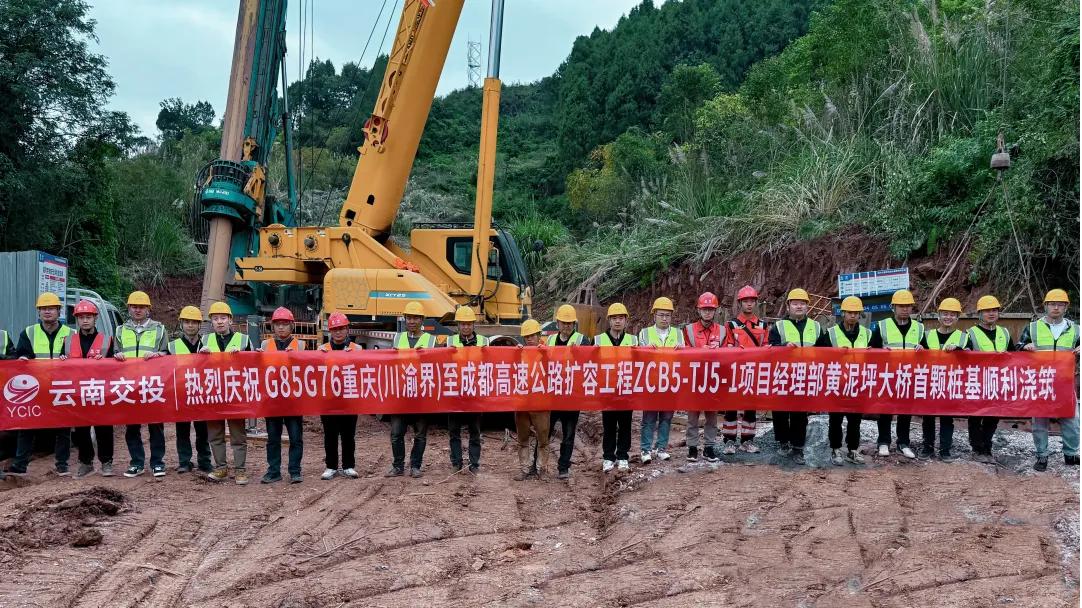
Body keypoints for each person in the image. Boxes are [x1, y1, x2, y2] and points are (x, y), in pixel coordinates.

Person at [6, 293, 73, 477]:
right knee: (26, 426)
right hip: (36, 388)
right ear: (38, 312)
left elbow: (77, 361)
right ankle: (20, 466)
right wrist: (22, 358)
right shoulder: (29, 332)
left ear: (59, 311)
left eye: (51, 308)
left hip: (61, 387)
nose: (47, 312)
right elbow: (21, 355)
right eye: (43, 309)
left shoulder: (70, 334)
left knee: (63, 428)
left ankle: (62, 466)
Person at [1018, 289, 1079, 471]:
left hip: (1064, 381)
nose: (1056, 307)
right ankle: (1042, 456)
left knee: (1071, 419)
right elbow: (1017, 348)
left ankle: (1070, 454)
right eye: (1052, 304)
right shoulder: (1033, 327)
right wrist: (1024, 347)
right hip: (1040, 381)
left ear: (1066, 307)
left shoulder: (1076, 329)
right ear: (1045, 306)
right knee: (1040, 420)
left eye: (1060, 304)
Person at [113, 291, 169, 478]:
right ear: (129, 308)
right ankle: (136, 463)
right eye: (134, 307)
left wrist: (159, 355)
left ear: (148, 309)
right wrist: (117, 356)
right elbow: (115, 354)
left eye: (141, 307)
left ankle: (157, 463)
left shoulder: (159, 329)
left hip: (152, 384)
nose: (138, 310)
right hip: (129, 385)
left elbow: (167, 354)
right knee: (132, 427)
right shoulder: (120, 330)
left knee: (156, 426)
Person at [200, 301, 254, 484]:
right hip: (213, 393)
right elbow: (197, 368)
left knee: (238, 434)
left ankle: (240, 470)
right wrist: (201, 356)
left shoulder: (244, 340)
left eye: (223, 318)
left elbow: (254, 366)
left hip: (235, 394)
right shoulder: (205, 341)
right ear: (211, 322)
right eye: (216, 319)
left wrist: (243, 355)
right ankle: (221, 468)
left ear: (230, 320)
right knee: (215, 434)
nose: (220, 322)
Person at [767, 288, 822, 465]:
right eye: (795, 303)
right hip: (784, 375)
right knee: (780, 412)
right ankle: (783, 443)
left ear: (807, 306)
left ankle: (798, 448)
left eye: (803, 303)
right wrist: (783, 346)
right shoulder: (778, 326)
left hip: (806, 375)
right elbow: (770, 349)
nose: (799, 306)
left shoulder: (816, 327)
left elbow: (827, 350)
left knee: (800, 414)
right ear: (788, 306)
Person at [869, 289, 925, 459]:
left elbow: (927, 351)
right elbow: (871, 349)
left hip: (909, 376)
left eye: (908, 306)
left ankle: (904, 443)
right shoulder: (882, 326)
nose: (905, 309)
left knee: (905, 411)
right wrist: (880, 350)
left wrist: (923, 349)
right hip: (888, 375)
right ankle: (883, 442)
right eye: (901, 306)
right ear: (893, 307)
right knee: (885, 409)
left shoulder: (919, 328)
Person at [63, 299, 115, 479]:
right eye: (81, 317)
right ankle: (86, 463)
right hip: (78, 392)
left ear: (95, 318)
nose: (85, 320)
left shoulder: (108, 341)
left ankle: (106, 462)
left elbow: (117, 367)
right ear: (77, 319)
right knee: (81, 429)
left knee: (104, 428)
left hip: (101, 391)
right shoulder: (69, 341)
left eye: (89, 317)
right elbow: (63, 366)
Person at [816, 296, 869, 465]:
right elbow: (819, 353)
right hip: (837, 382)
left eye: (855, 312)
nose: (852, 315)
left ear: (859, 314)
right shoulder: (831, 333)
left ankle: (853, 450)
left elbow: (877, 354)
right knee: (836, 418)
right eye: (849, 312)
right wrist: (836, 353)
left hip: (858, 382)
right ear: (843, 313)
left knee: (855, 419)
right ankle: (835, 449)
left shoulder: (867, 334)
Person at [386, 301, 434, 478]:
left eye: (415, 318)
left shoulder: (431, 340)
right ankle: (398, 466)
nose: (411, 321)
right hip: (401, 393)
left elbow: (437, 365)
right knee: (396, 433)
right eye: (409, 318)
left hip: (421, 394)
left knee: (420, 433)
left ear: (422, 320)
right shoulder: (398, 338)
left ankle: (416, 466)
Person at [965, 295, 1015, 462]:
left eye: (994, 310)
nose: (991, 313)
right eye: (987, 311)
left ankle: (987, 445)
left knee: (993, 415)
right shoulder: (970, 333)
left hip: (998, 381)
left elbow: (1015, 355)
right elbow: (964, 356)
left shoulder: (1004, 332)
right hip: (978, 381)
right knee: (975, 415)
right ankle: (977, 447)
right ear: (980, 313)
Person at [918, 298, 968, 461]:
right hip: (930, 383)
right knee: (928, 418)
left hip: (951, 384)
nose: (948, 317)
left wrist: (960, 349)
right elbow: (919, 358)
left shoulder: (963, 337)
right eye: (945, 314)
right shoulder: (927, 335)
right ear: (938, 316)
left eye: (952, 315)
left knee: (947, 418)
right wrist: (918, 349)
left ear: (957, 318)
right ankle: (928, 448)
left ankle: (945, 450)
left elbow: (971, 357)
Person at [261, 307, 305, 484]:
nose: (281, 328)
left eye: (285, 324)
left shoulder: (301, 345)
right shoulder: (265, 346)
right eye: (277, 324)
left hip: (293, 401)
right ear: (273, 326)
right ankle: (273, 471)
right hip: (272, 400)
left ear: (292, 326)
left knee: (296, 438)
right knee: (273, 438)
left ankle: (295, 471)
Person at [722, 285, 768, 454]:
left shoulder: (763, 325)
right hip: (735, 372)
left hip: (753, 372)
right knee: (731, 406)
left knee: (750, 408)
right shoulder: (732, 324)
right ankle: (729, 441)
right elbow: (727, 346)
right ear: (740, 303)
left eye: (752, 301)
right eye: (745, 301)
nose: (749, 304)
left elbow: (766, 347)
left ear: (755, 303)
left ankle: (747, 441)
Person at [638, 297, 684, 463]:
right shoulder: (644, 333)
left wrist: (683, 350)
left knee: (666, 417)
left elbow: (684, 358)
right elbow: (638, 357)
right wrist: (645, 349)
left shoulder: (678, 334)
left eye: (668, 315)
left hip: (670, 382)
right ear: (654, 315)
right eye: (661, 315)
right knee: (649, 418)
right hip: (651, 383)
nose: (664, 318)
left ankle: (661, 448)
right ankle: (645, 450)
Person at [168, 306, 212, 475]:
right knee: (182, 430)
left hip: (202, 394)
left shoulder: (207, 344)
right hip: (181, 394)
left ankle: (204, 461)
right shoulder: (172, 346)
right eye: (187, 322)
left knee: (203, 431)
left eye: (194, 322)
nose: (190, 325)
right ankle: (184, 462)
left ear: (199, 325)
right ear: (181, 324)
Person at [595, 303, 638, 472]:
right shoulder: (598, 340)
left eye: (621, 318)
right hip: (608, 390)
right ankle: (608, 457)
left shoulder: (633, 340)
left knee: (626, 424)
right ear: (609, 321)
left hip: (626, 389)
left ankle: (622, 456)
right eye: (614, 318)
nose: (618, 321)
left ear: (626, 321)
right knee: (609, 425)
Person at [318, 311, 359, 480]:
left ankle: (348, 466)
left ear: (347, 329)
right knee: (330, 434)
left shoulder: (357, 349)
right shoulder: (323, 350)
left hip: (349, 399)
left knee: (348, 434)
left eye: (341, 328)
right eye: (335, 329)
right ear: (330, 331)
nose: (338, 332)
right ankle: (331, 466)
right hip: (328, 400)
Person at [447, 306, 488, 473]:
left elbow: (494, 362)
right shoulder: (450, 342)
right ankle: (456, 463)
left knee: (475, 431)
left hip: (475, 394)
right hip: (455, 393)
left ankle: (474, 464)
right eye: (462, 324)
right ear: (458, 325)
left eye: (468, 324)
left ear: (473, 324)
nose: (465, 327)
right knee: (454, 431)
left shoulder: (484, 342)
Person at [684, 292, 724, 462]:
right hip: (695, 378)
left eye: (711, 309)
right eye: (704, 309)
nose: (708, 312)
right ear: (698, 310)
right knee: (692, 416)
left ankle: (709, 447)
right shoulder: (688, 330)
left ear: (715, 311)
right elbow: (684, 353)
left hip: (714, 380)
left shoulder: (722, 331)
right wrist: (701, 352)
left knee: (712, 417)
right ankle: (692, 448)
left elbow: (729, 352)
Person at [548, 304, 587, 480]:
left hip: (572, 396)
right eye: (564, 323)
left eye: (570, 323)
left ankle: (563, 466)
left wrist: (577, 354)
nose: (566, 326)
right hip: (553, 395)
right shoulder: (549, 340)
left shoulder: (582, 341)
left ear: (574, 324)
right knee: (544, 432)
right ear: (557, 323)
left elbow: (590, 363)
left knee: (569, 434)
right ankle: (538, 463)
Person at [514, 320, 551, 480]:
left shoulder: (548, 351)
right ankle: (524, 469)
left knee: (543, 438)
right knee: (522, 438)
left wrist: (547, 353)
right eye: (527, 336)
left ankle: (542, 469)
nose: (530, 339)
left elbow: (560, 367)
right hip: (522, 402)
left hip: (540, 402)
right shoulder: (519, 352)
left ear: (539, 336)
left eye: (532, 335)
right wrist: (514, 354)